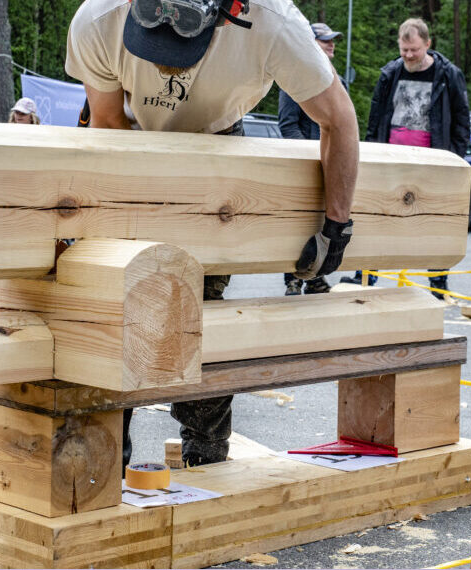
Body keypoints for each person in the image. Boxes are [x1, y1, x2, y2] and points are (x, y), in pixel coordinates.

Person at [66, 0, 359, 467]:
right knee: (114, 303)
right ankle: (105, 461)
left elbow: (338, 119)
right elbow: (106, 122)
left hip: (218, 142)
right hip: (129, 138)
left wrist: (334, 226)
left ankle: (206, 455)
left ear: (227, 14)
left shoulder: (274, 23)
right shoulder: (101, 16)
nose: (164, 60)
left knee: (196, 310)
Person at [364, 18, 470, 298]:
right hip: (391, 160)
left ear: (427, 44)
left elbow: (461, 121)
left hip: (433, 161)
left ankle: (437, 282)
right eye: (404, 50)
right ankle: (367, 276)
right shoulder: (390, 74)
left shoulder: (448, 76)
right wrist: (372, 154)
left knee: (435, 222)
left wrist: (455, 159)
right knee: (379, 217)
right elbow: (375, 120)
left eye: (414, 50)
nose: (409, 56)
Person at [279, 22, 346, 296]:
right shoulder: (295, 77)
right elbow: (287, 125)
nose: (331, 44)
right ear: (310, 43)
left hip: (327, 164)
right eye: (325, 40)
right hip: (305, 164)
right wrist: (310, 154)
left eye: (333, 40)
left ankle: (315, 278)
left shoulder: (333, 79)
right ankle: (293, 279)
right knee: (297, 224)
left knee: (321, 224)